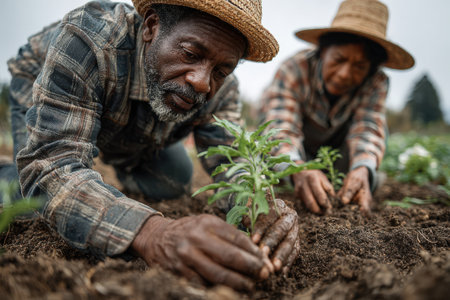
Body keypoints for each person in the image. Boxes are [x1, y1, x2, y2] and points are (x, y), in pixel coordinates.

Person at [2, 0, 300, 291]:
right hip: (46, 88)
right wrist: (153, 233)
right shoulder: (90, 39)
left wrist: (259, 204)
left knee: (172, 181)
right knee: (34, 202)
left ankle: (113, 175)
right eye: (191, 53)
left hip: (132, 118)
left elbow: (231, 161)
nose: (202, 82)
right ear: (152, 27)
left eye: (221, 71)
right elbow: (53, 167)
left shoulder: (220, 87)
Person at [259, 0, 414, 215]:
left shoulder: (376, 82)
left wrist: (362, 168)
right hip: (297, 149)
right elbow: (281, 127)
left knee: (379, 138)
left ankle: (354, 181)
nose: (344, 74)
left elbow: (367, 126)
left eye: (359, 66)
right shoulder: (294, 69)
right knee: (271, 158)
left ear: (371, 69)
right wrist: (299, 168)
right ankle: (299, 178)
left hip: (337, 152)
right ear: (322, 51)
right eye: (338, 59)